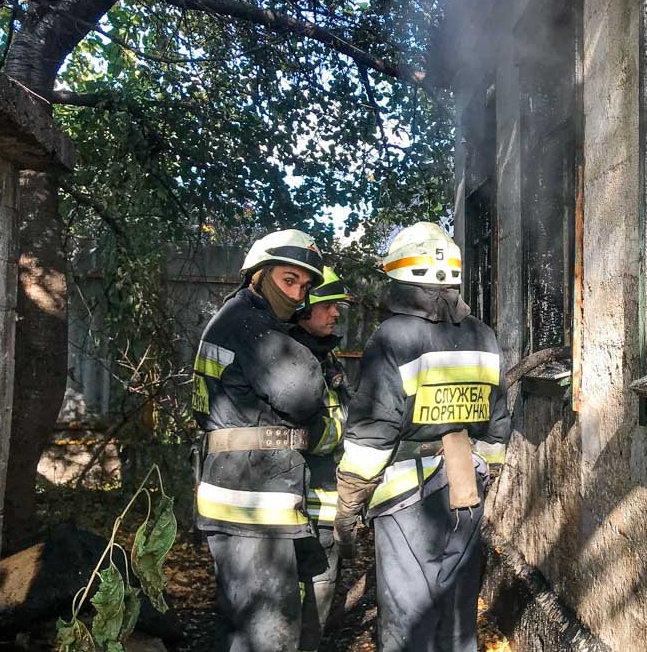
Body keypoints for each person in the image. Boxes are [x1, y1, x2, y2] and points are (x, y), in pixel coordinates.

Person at [333, 222, 509, 652]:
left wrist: (347, 508)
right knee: (456, 614)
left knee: (408, 619)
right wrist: (481, 474)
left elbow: (373, 434)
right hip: (465, 490)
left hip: (404, 497)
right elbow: (497, 423)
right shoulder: (483, 336)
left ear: (401, 280)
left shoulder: (392, 338)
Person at [192, 229, 328, 652]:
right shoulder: (250, 325)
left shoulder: (233, 319)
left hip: (237, 494)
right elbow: (303, 393)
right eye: (289, 280)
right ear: (258, 275)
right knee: (269, 633)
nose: (298, 293)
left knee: (241, 627)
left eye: (305, 286)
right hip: (254, 504)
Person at [288, 267, 353, 652]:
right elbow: (307, 435)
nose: (336, 314)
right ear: (304, 307)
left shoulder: (326, 360)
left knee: (317, 608)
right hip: (293, 509)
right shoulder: (286, 358)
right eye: (328, 306)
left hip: (324, 508)